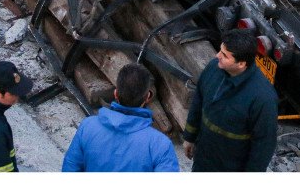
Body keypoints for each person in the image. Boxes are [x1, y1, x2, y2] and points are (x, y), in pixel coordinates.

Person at [182, 29, 278, 172]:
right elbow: (198, 102)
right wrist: (189, 137)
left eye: (225, 55)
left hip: (231, 167)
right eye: (220, 50)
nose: (217, 55)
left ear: (241, 64)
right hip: (203, 157)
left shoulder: (263, 98)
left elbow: (264, 144)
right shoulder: (213, 68)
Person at [62, 63, 179, 172]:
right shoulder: (161, 145)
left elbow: (69, 170)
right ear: (148, 97)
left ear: (116, 93)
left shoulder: (87, 126)